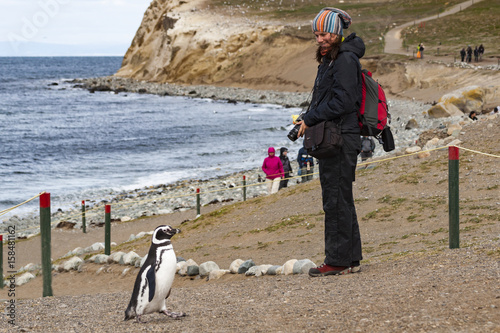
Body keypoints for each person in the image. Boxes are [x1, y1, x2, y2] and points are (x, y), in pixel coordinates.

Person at [296, 7, 363, 276]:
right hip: (337, 136)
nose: (319, 39)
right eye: (316, 34)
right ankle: (351, 258)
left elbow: (344, 102)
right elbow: (329, 99)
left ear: (336, 33)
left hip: (340, 138)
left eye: (323, 34)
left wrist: (311, 119)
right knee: (341, 198)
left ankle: (337, 261)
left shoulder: (344, 60)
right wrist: (307, 116)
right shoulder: (332, 59)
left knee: (334, 200)